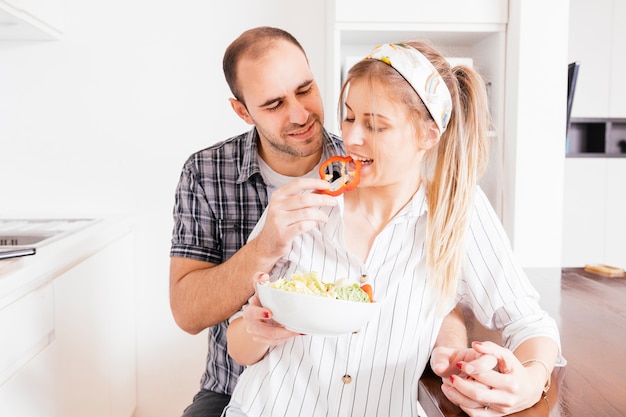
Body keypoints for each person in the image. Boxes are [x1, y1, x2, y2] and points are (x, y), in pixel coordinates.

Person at [224, 41, 564, 417]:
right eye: (350, 117)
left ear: (428, 135)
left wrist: (531, 382)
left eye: (375, 125)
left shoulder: (455, 212)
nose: (351, 138)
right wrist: (258, 330)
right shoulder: (301, 201)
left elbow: (530, 323)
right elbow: (238, 341)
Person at [169, 27, 468, 417]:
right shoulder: (206, 172)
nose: (299, 114)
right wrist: (265, 247)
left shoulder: (364, 159)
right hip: (234, 385)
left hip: (347, 393)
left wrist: (451, 354)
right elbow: (187, 313)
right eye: (274, 104)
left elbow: (432, 289)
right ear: (243, 111)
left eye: (305, 89)